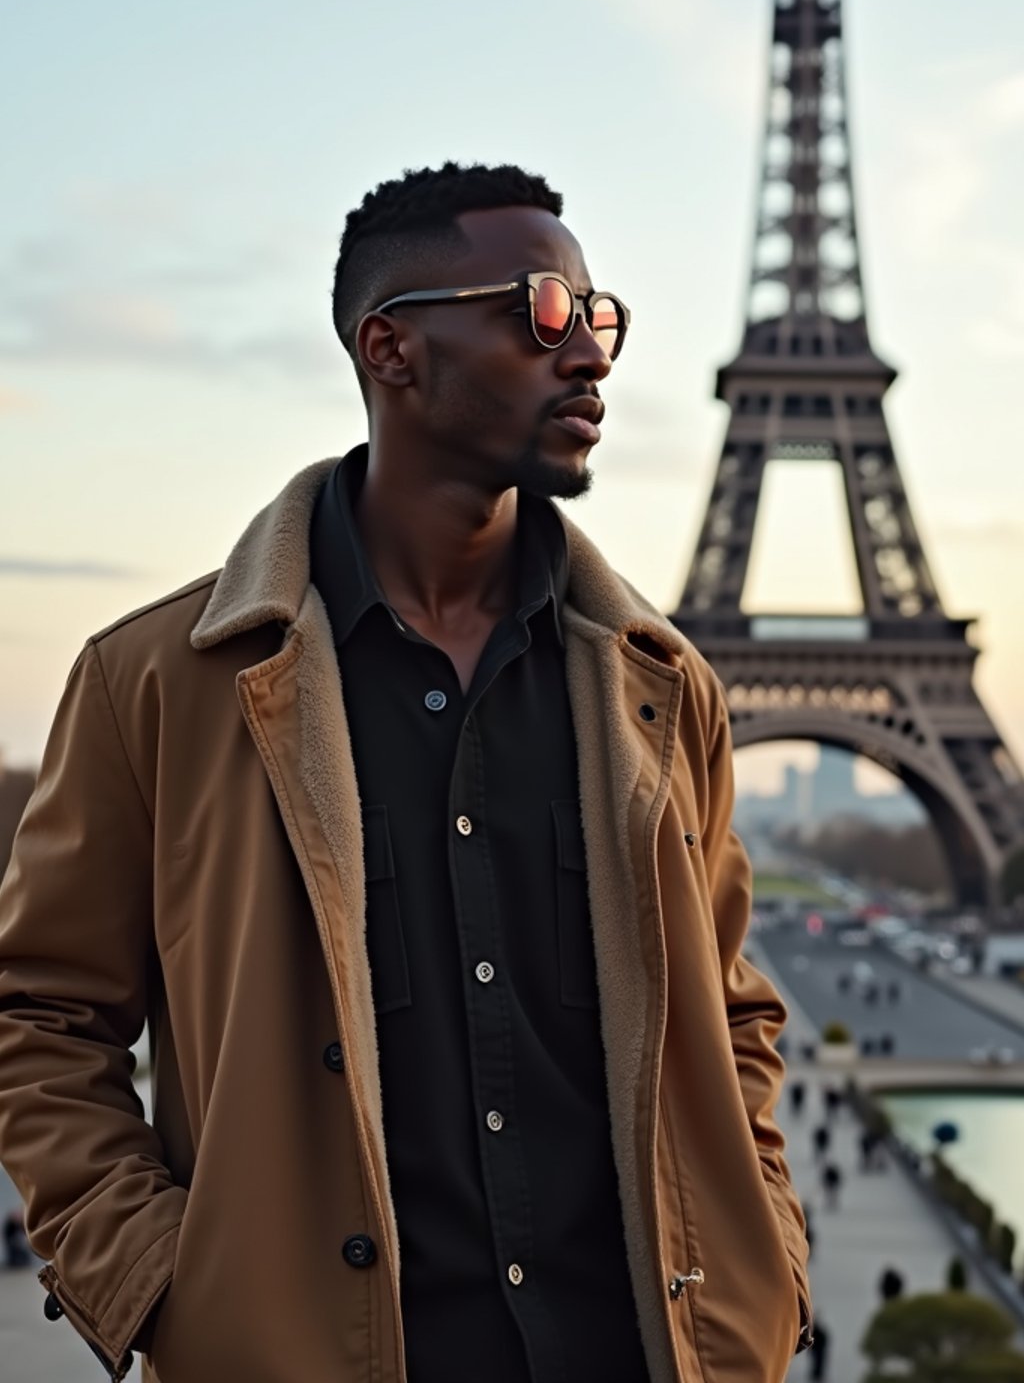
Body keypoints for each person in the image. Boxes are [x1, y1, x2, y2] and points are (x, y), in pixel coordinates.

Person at [0, 162, 812, 1383]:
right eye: (542, 310)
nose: (589, 355)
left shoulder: (665, 687)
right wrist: (167, 1286)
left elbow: (731, 1008)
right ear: (392, 349)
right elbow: (40, 1018)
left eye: (600, 318)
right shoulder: (155, 685)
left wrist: (769, 1258)